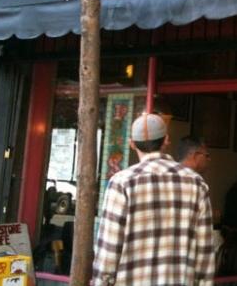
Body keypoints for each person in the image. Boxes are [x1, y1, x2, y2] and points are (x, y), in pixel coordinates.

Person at [92, 114, 214, 285]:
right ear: (166, 141)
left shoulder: (121, 182)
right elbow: (205, 251)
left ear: (132, 144)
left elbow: (108, 250)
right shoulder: (196, 183)